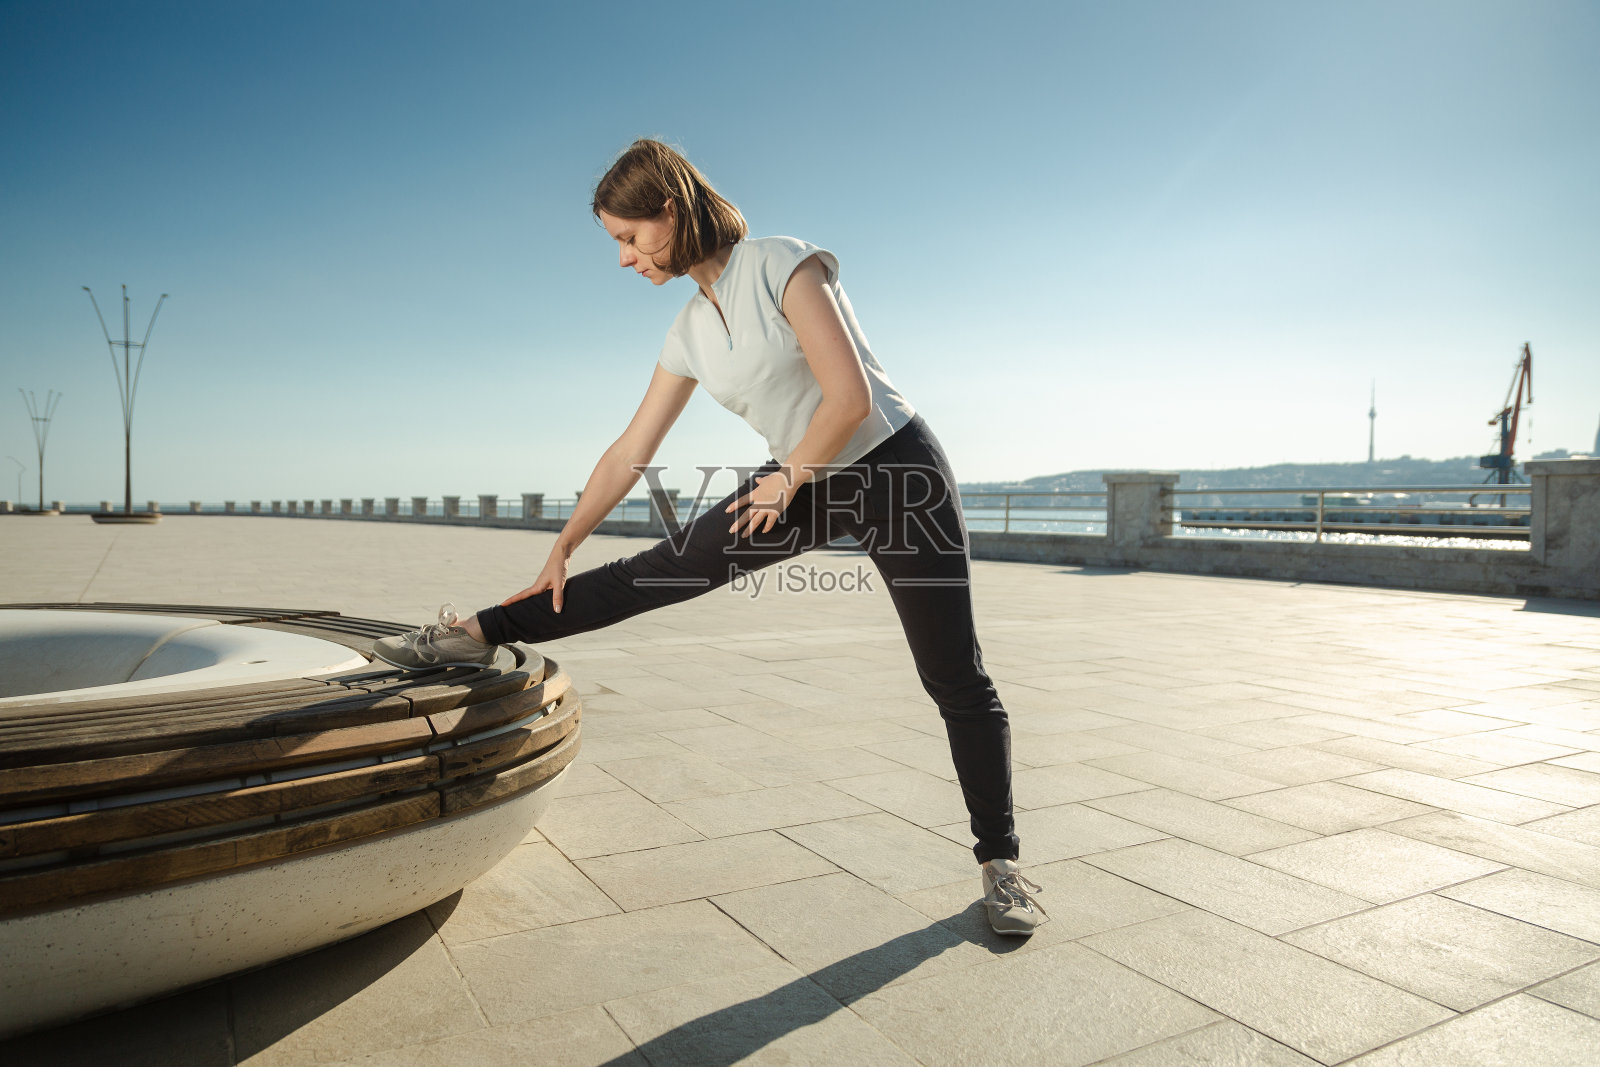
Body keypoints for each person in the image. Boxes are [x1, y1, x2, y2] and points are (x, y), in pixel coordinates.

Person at [375, 139, 1046, 935]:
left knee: (954, 675)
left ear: (669, 208)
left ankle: (1002, 865)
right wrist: (564, 542)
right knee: (656, 572)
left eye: (629, 237)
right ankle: (475, 631)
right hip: (795, 476)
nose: (624, 259)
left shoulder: (782, 263)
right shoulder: (690, 328)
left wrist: (787, 479)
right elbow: (630, 449)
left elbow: (851, 398)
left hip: (895, 471)